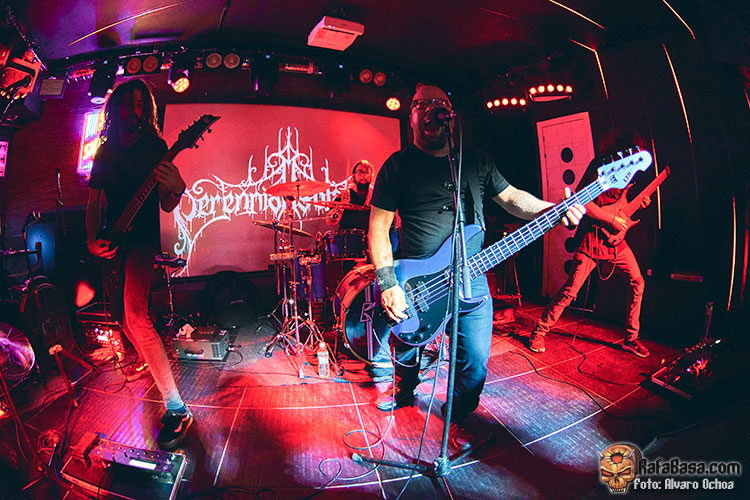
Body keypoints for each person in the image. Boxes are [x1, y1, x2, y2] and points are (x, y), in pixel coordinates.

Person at [368, 84, 584, 449]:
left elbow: (513, 199)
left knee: (475, 361)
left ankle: (458, 414)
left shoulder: (476, 162)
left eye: (439, 104)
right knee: (406, 343)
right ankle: (404, 388)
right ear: (411, 116)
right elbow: (378, 227)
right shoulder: (397, 166)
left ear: (450, 115)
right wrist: (388, 282)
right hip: (416, 280)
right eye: (421, 105)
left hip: (472, 276)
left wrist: (552, 209)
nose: (430, 110)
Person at [85, 78, 192, 450]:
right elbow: (93, 202)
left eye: (140, 104)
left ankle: (178, 408)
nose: (134, 111)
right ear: (116, 109)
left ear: (148, 109)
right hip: (113, 240)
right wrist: (91, 241)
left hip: (143, 241)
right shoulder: (105, 151)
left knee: (136, 316)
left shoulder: (156, 148)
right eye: (128, 104)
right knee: (124, 320)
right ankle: (154, 364)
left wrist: (177, 186)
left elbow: (166, 204)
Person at [528, 129, 650, 358]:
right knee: (570, 291)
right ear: (623, 148)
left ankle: (631, 338)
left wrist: (638, 205)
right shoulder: (600, 166)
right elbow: (583, 202)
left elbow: (620, 207)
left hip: (616, 242)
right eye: (634, 151)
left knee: (638, 281)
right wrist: (611, 220)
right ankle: (539, 332)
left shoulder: (628, 171)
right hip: (592, 240)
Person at [326, 160, 373, 232]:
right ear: (353, 175)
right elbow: (330, 221)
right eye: (360, 172)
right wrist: (340, 208)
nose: (364, 175)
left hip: (370, 237)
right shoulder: (344, 196)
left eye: (367, 172)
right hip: (347, 237)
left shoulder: (375, 197)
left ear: (371, 175)